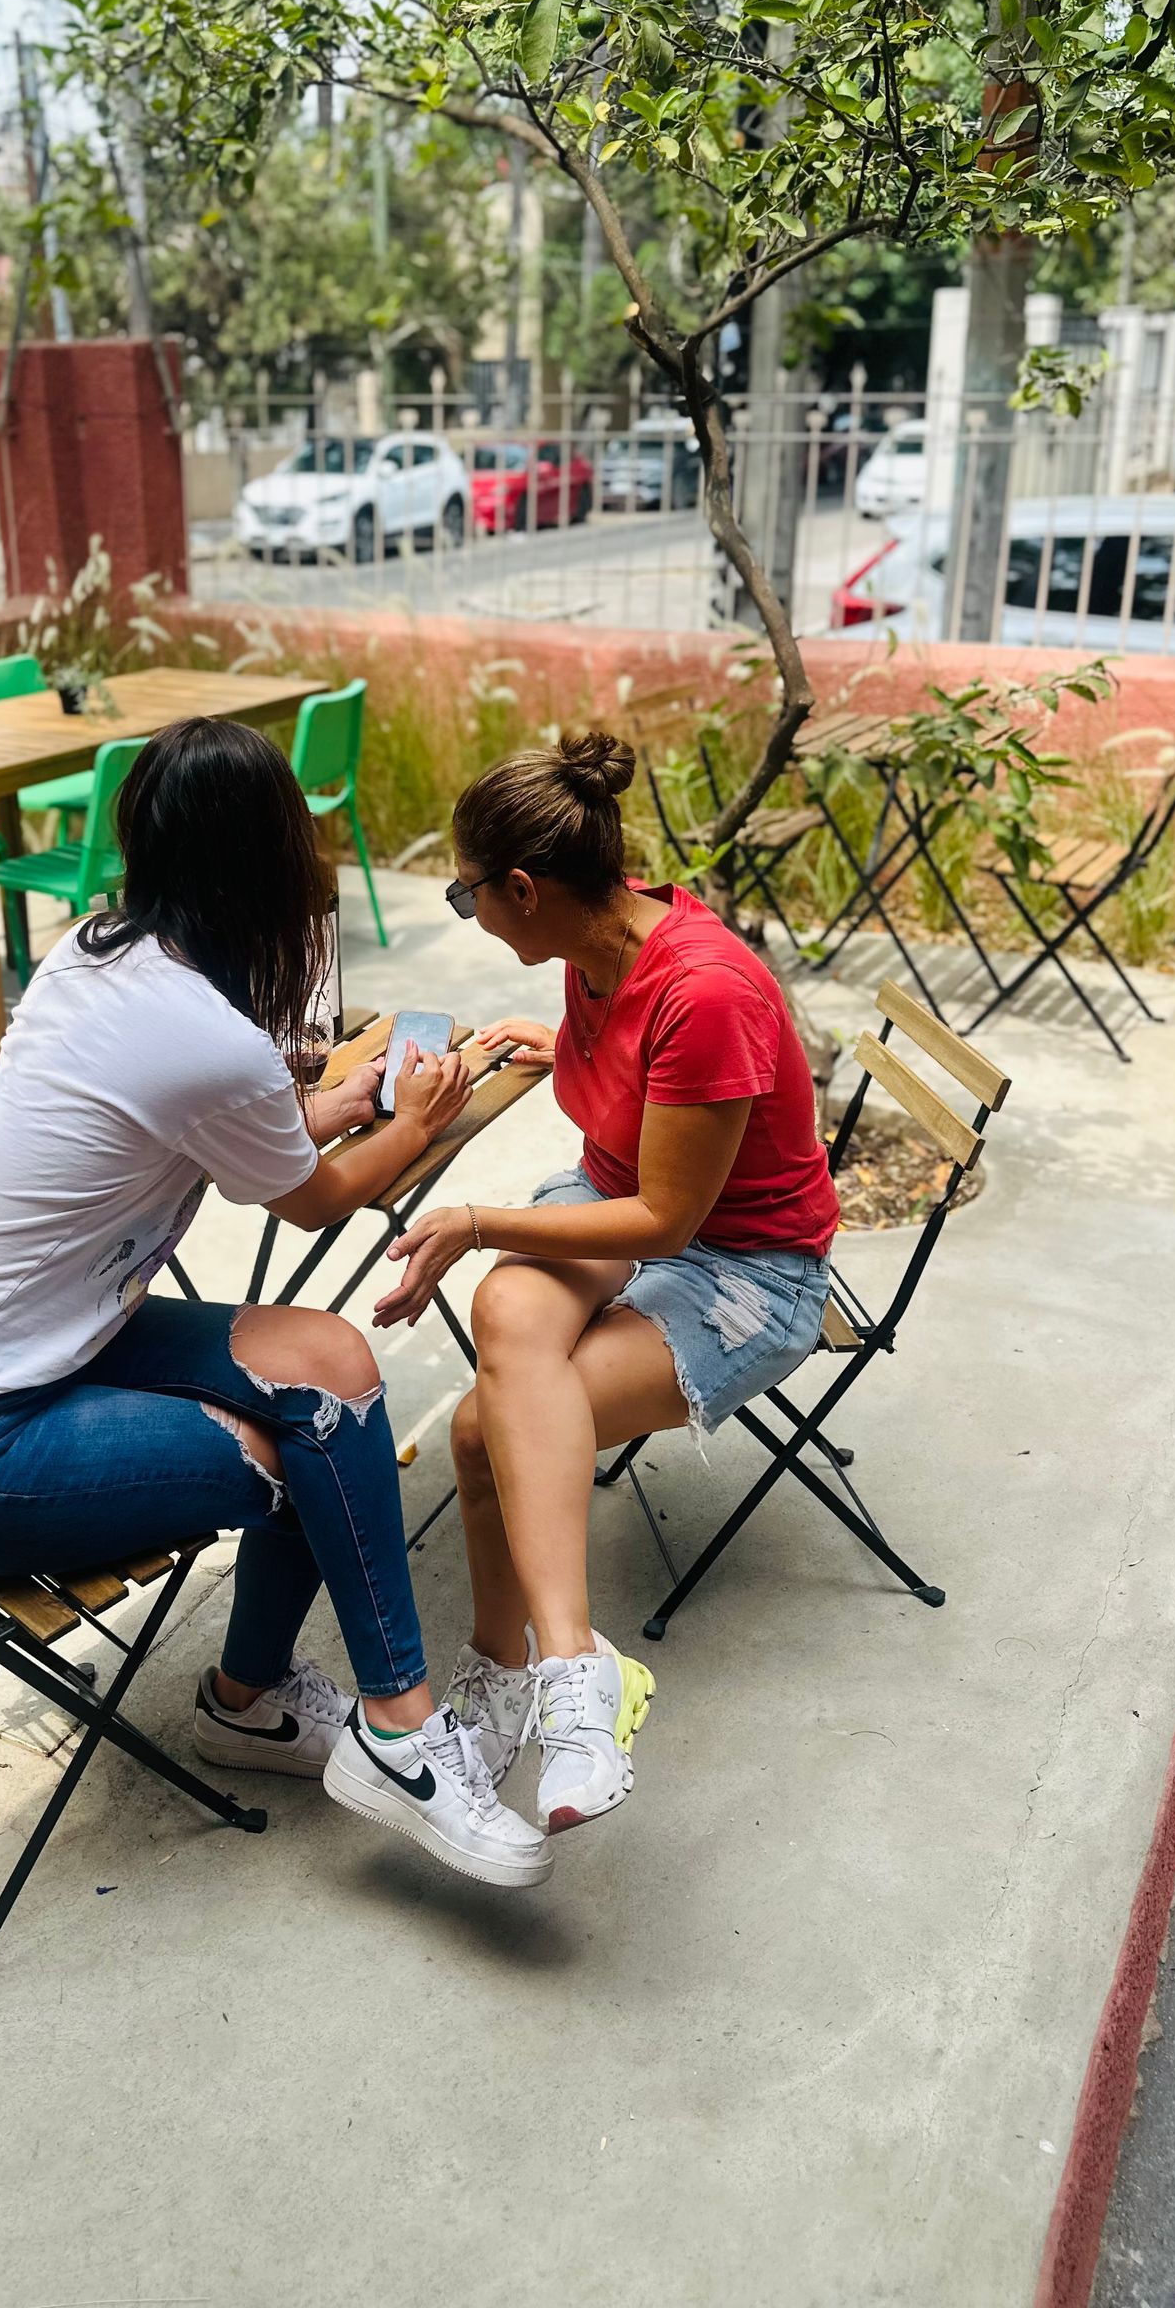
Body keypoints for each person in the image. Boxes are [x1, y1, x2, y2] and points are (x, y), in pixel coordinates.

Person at [0, 717, 554, 1890]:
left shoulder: (99, 954)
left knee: (332, 1358)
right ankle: (401, 1732)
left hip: (0, 1358)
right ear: (266, 864)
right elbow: (317, 1201)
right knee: (316, 1439)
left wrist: (351, 1102)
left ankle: (248, 1704)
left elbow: (248, 1131)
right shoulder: (207, 1036)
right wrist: (418, 1120)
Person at [374, 729, 837, 1833]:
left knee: (490, 1426)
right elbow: (637, 1114)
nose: (470, 911)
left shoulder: (704, 993)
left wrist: (477, 1216)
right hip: (623, 1199)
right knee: (503, 1309)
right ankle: (542, 1671)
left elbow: (673, 1219)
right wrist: (571, 1046)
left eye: (467, 892)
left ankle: (553, 1677)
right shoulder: (599, 943)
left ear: (524, 888)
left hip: (745, 1269)